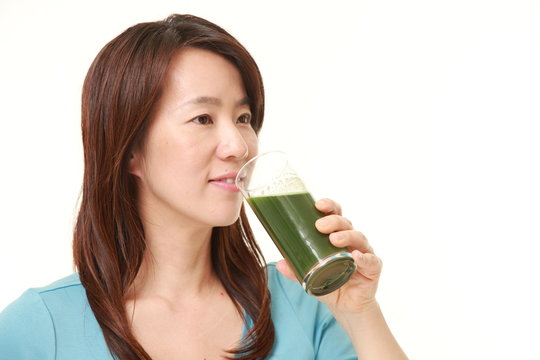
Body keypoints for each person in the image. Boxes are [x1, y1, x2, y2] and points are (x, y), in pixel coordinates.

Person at [0, 14, 407, 360]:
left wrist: (359, 313)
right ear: (130, 150)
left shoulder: (303, 305)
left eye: (244, 117)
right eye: (203, 119)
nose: (237, 146)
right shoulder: (38, 328)